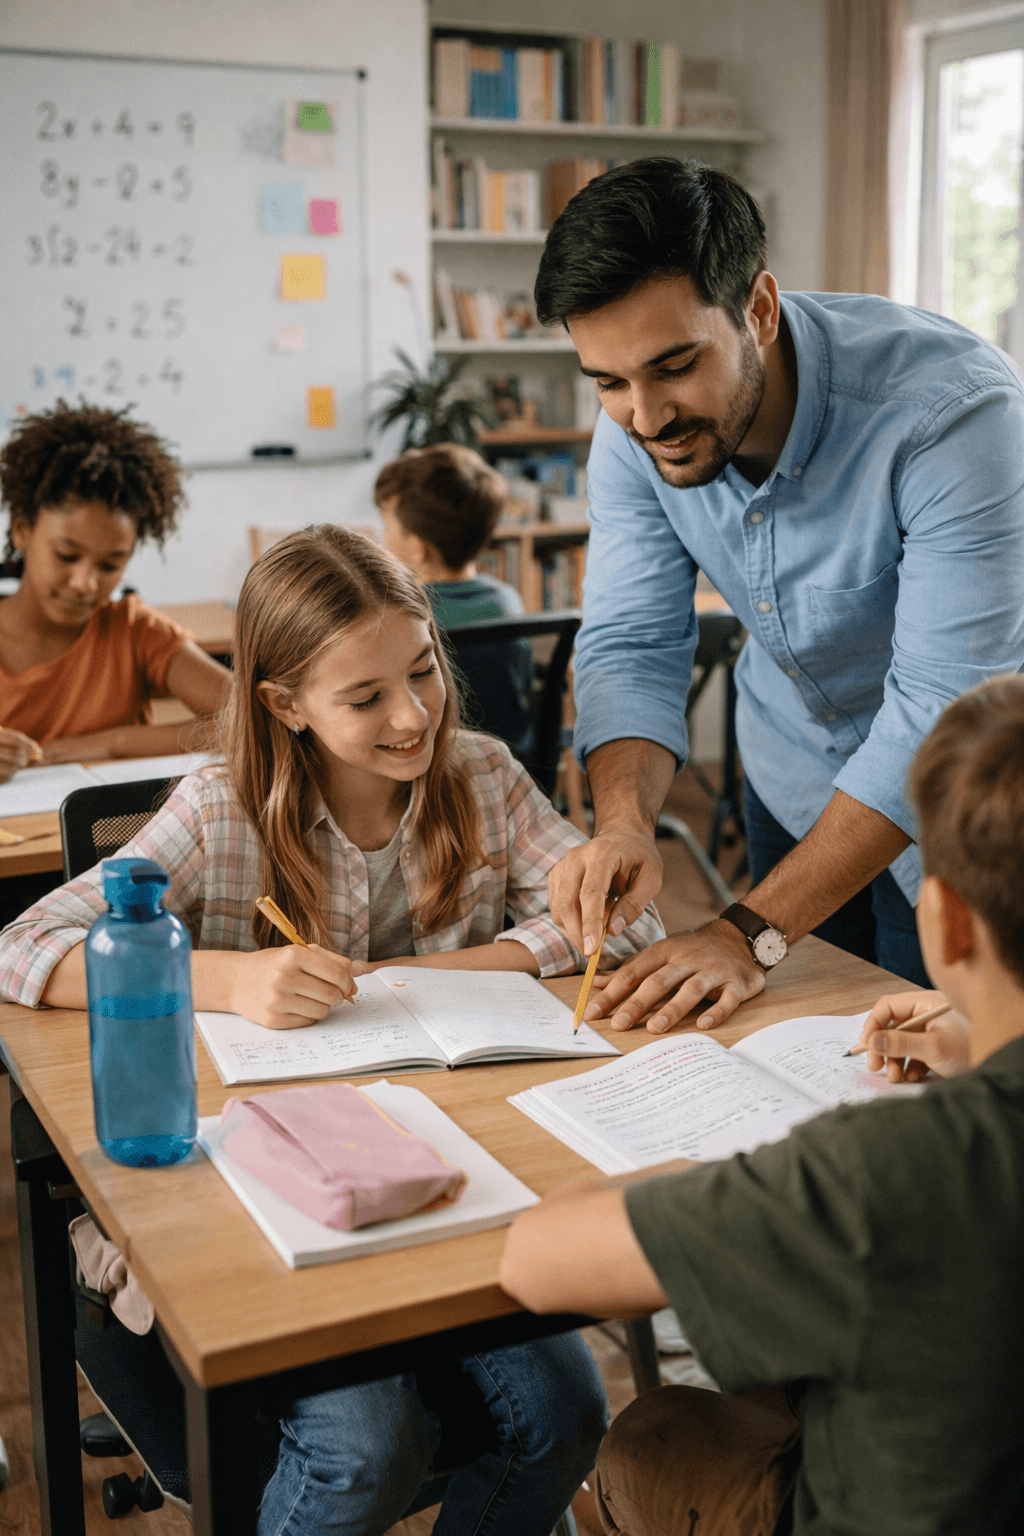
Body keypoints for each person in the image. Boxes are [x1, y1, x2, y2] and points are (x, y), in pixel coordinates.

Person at [0, 525, 665, 1535]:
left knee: (569, 1415)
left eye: (425, 672)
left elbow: (629, 916)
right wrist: (225, 978)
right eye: (365, 699)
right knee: (365, 1449)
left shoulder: (480, 774)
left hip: (460, 1177)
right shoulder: (223, 810)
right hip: (272, 1192)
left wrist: (446, 970)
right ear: (284, 705)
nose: (413, 716)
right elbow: (18, 944)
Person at [500, 673, 1024, 1536]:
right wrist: (980, 1034)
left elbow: (536, 1258)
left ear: (946, 924)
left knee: (650, 1435)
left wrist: (700, 1174)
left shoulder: (887, 1169)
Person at [531, 157, 1024, 1036]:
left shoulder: (955, 417)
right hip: (792, 773)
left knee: (929, 1080)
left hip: (966, 810)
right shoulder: (638, 430)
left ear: (758, 308)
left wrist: (746, 930)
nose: (643, 417)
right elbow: (633, 640)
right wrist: (625, 825)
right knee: (790, 1054)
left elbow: (936, 712)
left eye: (673, 366)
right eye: (607, 381)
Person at [0, 402, 230, 785]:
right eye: (66, 555)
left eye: (110, 565)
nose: (85, 583)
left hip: (117, 843)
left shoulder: (133, 631)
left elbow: (253, 720)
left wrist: (110, 743)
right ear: (22, 530)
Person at [375, 444, 535, 759]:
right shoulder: (507, 600)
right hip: (512, 759)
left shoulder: (406, 616)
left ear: (418, 548)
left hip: (442, 768)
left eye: (388, 527)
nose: (382, 537)